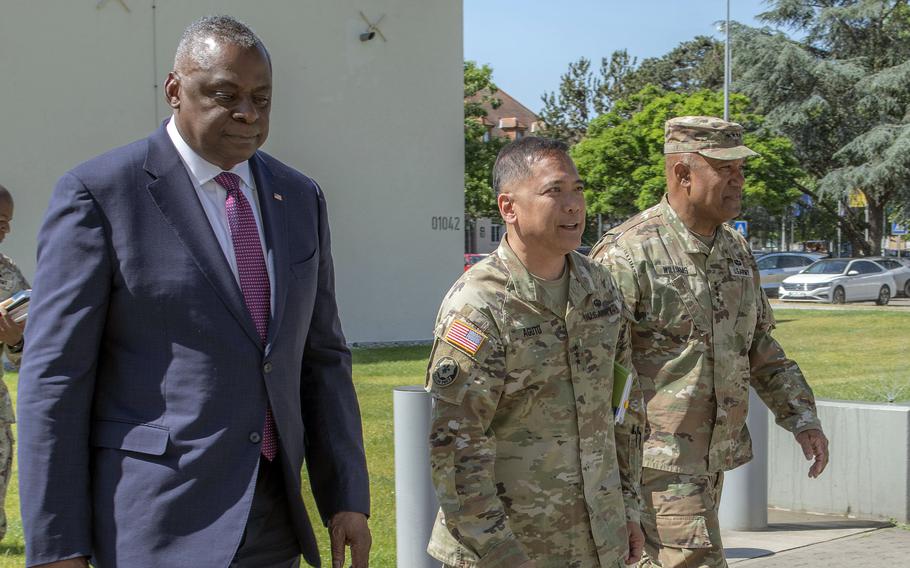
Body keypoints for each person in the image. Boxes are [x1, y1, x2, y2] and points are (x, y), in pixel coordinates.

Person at [18, 16, 370, 568]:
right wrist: (58, 545)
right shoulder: (100, 195)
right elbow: (55, 378)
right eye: (224, 94)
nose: (247, 114)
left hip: (273, 519)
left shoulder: (300, 197)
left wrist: (346, 496)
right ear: (175, 90)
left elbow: (322, 357)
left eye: (261, 97)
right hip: (156, 524)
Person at [590, 116, 829, 568]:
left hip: (708, 461)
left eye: (741, 169)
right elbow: (596, 373)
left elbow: (760, 347)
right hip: (652, 465)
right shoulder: (628, 254)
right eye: (726, 169)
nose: (739, 180)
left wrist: (802, 418)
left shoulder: (735, 252)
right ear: (683, 174)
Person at [426, 136, 645, 568]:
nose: (573, 205)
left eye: (578, 190)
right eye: (554, 191)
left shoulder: (599, 288)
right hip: (509, 548)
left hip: (598, 539)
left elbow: (623, 408)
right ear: (509, 207)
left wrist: (629, 510)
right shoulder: (478, 305)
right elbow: (457, 449)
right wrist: (503, 554)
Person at [0, 183, 28, 543]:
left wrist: (15, 340)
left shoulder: (7, 273)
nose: (4, 229)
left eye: (7, 222)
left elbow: (28, 354)